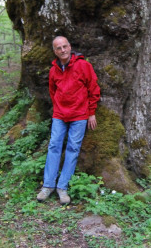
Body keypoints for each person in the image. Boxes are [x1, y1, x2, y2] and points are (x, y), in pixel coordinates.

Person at [37, 36, 100, 204]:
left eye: (65, 46)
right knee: (54, 146)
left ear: (70, 47)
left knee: (73, 148)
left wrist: (91, 112)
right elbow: (52, 91)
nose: (62, 50)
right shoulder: (53, 71)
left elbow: (93, 89)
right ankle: (48, 186)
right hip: (59, 115)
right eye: (59, 48)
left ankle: (62, 187)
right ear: (55, 51)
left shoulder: (83, 65)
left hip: (79, 115)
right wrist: (58, 106)